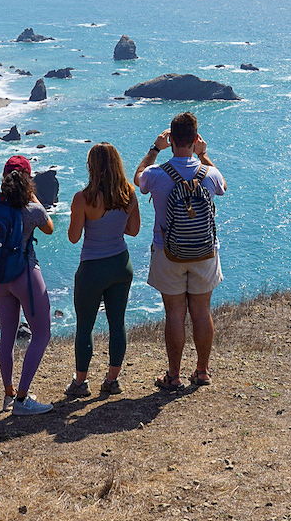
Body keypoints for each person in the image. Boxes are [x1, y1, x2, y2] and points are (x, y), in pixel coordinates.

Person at [134, 112, 227, 391]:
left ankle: (173, 376)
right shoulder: (209, 174)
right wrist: (205, 155)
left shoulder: (157, 174)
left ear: (171, 140)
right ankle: (202, 371)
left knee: (174, 313)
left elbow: (137, 178)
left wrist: (154, 149)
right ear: (196, 139)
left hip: (168, 252)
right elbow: (222, 186)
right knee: (201, 310)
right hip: (204, 251)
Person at [0, 155, 55, 415]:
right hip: (25, 275)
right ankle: (22, 400)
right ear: (28, 179)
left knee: (7, 334)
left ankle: (9, 394)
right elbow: (49, 228)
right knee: (41, 333)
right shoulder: (32, 209)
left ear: (3, 176)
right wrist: (32, 197)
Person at [64, 142, 141, 397]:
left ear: (91, 167)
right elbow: (133, 230)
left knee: (85, 326)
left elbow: (73, 238)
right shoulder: (129, 193)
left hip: (92, 269)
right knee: (117, 324)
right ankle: (111, 380)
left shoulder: (82, 198)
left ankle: (80, 383)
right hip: (121, 264)